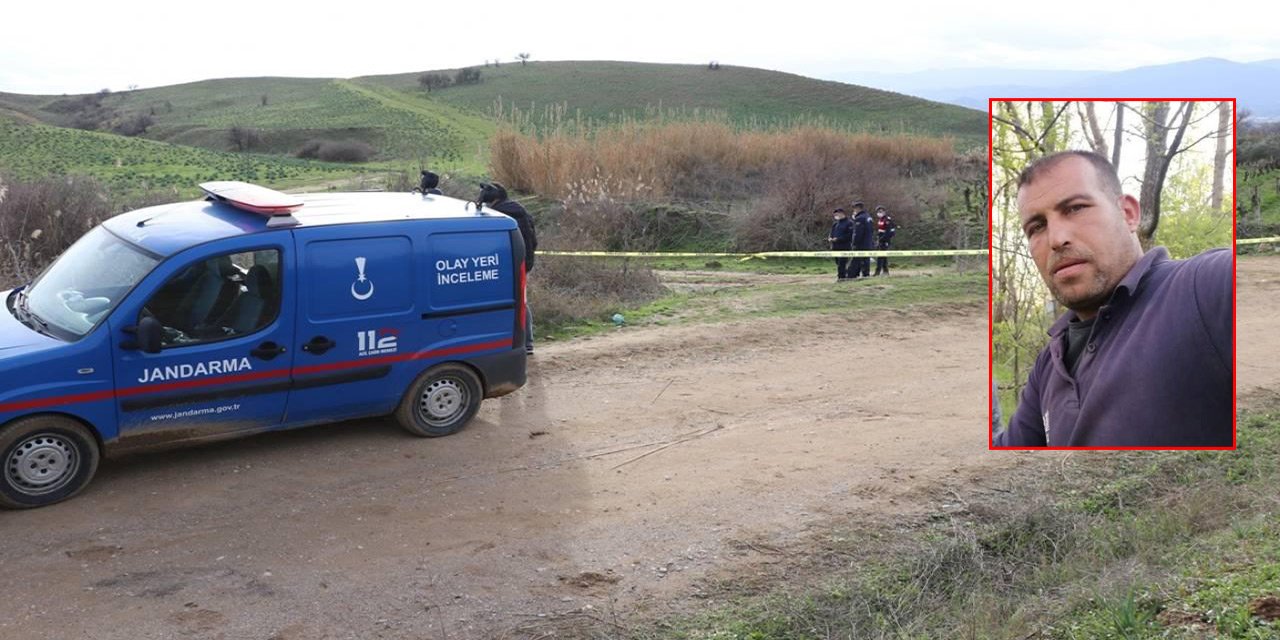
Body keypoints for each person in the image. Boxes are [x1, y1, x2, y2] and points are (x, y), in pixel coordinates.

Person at [995, 150, 1231, 447]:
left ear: (1128, 213)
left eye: (1076, 208)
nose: (1056, 239)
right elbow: (1007, 465)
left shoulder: (1201, 287)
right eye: (1037, 227)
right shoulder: (1049, 364)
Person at [479, 182, 538, 354]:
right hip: (522, 263)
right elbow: (533, 241)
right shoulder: (521, 212)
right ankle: (525, 342)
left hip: (509, 265)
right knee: (521, 301)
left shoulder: (499, 215)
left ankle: (520, 342)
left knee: (515, 302)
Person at [828, 208, 854, 281]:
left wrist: (839, 239)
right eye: (835, 215)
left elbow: (850, 235)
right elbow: (831, 233)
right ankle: (845, 273)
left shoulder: (849, 223)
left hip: (844, 246)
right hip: (835, 246)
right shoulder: (835, 224)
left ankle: (841, 277)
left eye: (837, 214)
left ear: (842, 213)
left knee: (842, 263)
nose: (836, 216)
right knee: (838, 263)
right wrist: (830, 238)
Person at [850, 201, 874, 279]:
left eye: (854, 208)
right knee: (865, 260)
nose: (853, 210)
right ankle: (865, 275)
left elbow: (857, 233)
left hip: (861, 243)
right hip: (868, 242)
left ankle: (852, 276)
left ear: (857, 208)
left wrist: (854, 243)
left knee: (856, 260)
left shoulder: (860, 218)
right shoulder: (868, 217)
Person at [873, 206, 897, 276]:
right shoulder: (880, 220)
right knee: (883, 256)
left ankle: (877, 272)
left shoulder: (887, 220)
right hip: (881, 240)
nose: (879, 213)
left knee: (880, 256)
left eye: (881, 211)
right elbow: (880, 231)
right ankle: (885, 271)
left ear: (884, 211)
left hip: (885, 240)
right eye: (878, 212)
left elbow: (888, 232)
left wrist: (883, 239)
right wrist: (878, 239)